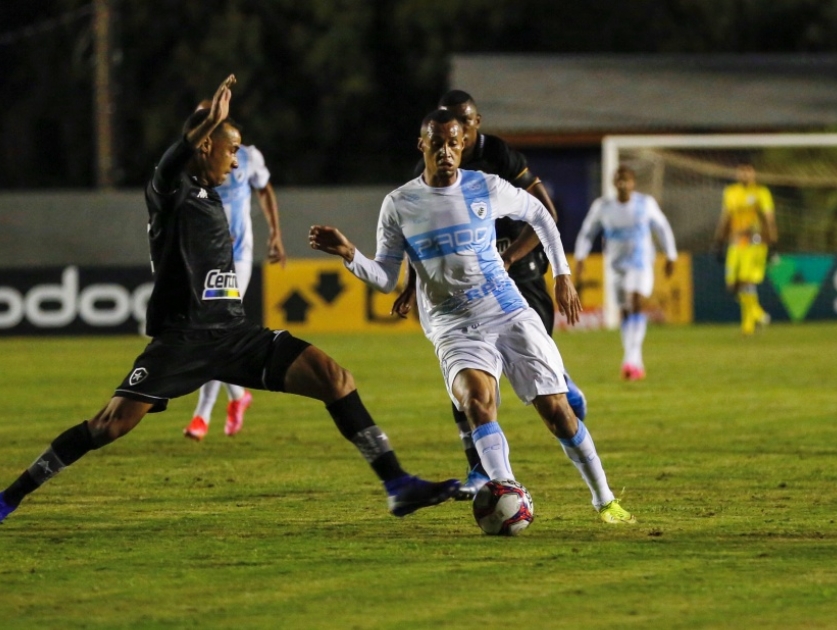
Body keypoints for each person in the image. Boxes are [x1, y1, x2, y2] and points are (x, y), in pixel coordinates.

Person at [0, 75, 459, 525]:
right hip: (184, 339)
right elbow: (167, 167)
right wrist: (206, 122)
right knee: (108, 426)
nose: (236, 163)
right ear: (204, 146)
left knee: (335, 378)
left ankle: (398, 484)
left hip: (234, 333)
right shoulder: (172, 192)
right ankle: (9, 498)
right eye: (232, 150)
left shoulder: (211, 195)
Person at [309, 108, 636, 525]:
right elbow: (387, 277)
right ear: (422, 145)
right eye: (437, 143)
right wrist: (350, 254)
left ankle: (605, 500)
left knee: (558, 413)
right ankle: (506, 490)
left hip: (506, 309)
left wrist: (562, 275)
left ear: (463, 145)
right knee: (476, 403)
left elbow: (540, 214)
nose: (446, 151)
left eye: (453, 143)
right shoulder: (400, 204)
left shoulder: (486, 186)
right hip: (453, 326)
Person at [390, 90, 587, 499]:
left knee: (533, 359)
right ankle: (480, 470)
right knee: (466, 381)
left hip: (521, 275)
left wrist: (513, 257)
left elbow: (544, 212)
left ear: (475, 123)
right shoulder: (430, 165)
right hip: (465, 288)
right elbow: (416, 237)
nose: (459, 133)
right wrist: (409, 284)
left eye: (466, 121)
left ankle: (562, 385)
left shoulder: (497, 155)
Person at [184, 100, 287, 442]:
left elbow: (265, 189)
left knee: (214, 328)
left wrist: (275, 234)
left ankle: (202, 415)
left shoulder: (246, 155)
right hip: (204, 256)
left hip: (238, 256)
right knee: (212, 331)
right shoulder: (189, 159)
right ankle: (238, 395)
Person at [574, 166, 678, 381]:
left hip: (641, 263)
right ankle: (634, 361)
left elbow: (662, 227)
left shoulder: (645, 204)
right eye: (619, 180)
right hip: (616, 266)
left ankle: (631, 358)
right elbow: (587, 232)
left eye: (626, 180)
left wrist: (671, 255)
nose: (623, 184)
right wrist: (581, 258)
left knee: (636, 301)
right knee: (625, 310)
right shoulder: (603, 206)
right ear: (614, 183)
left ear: (633, 183)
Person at [713, 162, 778, 335]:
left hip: (754, 242)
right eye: (741, 171)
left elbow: (769, 218)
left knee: (746, 281)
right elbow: (726, 217)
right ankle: (757, 313)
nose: (744, 174)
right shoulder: (730, 192)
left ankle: (748, 325)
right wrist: (719, 242)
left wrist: (773, 244)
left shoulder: (761, 192)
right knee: (732, 285)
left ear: (754, 173)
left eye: (748, 171)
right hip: (735, 243)